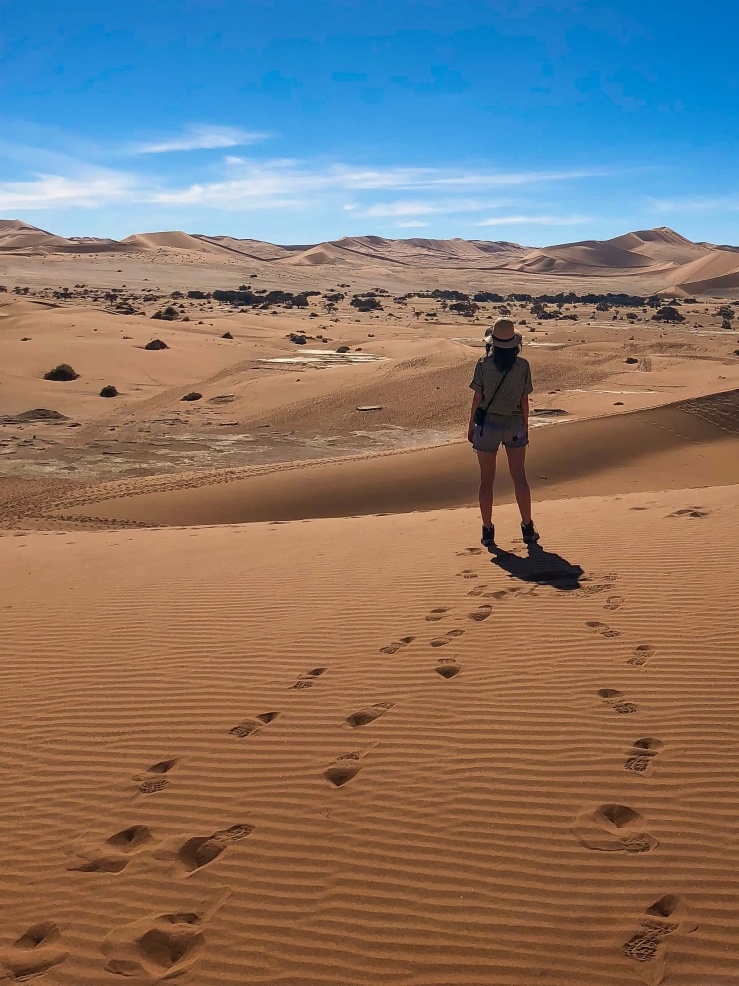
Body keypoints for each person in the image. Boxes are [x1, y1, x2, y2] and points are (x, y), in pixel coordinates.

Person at [467, 317, 539, 547]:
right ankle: (527, 526)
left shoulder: (482, 365)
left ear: (492, 343)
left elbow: (477, 398)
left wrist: (471, 426)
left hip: (487, 426)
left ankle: (487, 530)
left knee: (486, 481)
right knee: (519, 477)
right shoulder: (523, 366)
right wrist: (525, 426)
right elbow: (524, 400)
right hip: (514, 425)